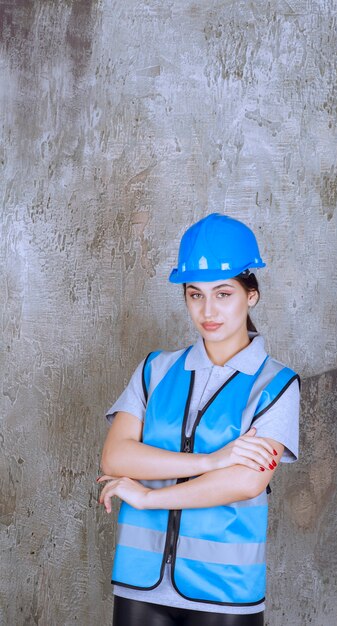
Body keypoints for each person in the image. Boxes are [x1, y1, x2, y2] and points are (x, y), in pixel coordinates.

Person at [97, 212, 300, 626]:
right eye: (195, 294)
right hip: (139, 584)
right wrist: (210, 461)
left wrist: (149, 497)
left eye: (223, 293)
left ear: (251, 295)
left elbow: (246, 480)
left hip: (225, 593)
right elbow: (116, 458)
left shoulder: (276, 385)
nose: (208, 310)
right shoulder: (155, 370)